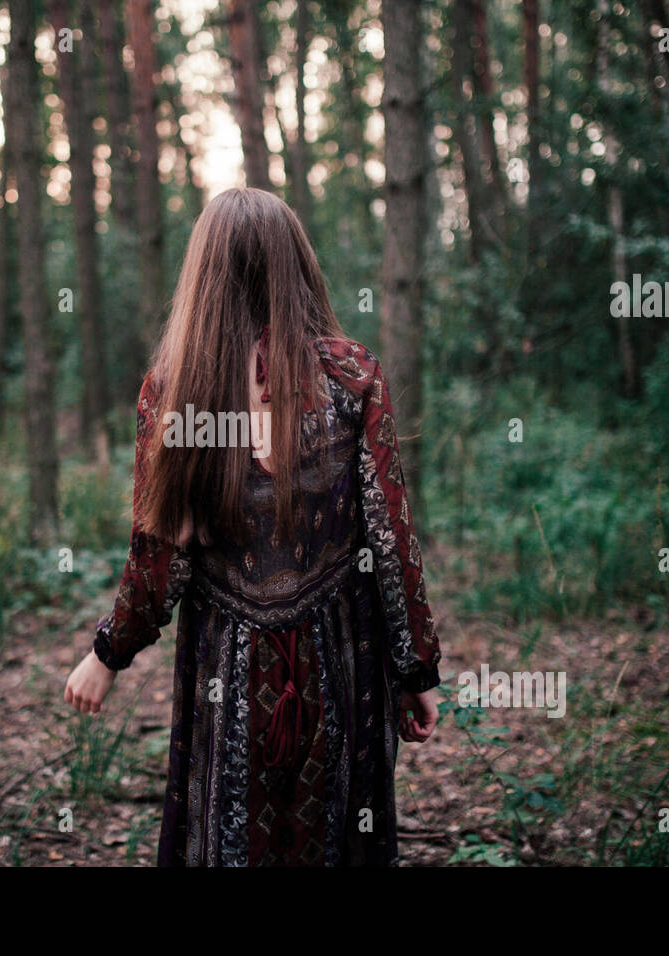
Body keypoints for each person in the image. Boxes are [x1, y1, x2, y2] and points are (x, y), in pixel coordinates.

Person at [64, 186, 442, 866]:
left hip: (226, 665)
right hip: (343, 657)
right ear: (296, 263)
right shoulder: (352, 377)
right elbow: (391, 541)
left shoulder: (174, 391)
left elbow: (161, 560)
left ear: (203, 275)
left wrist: (107, 655)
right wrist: (416, 667)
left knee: (229, 841)